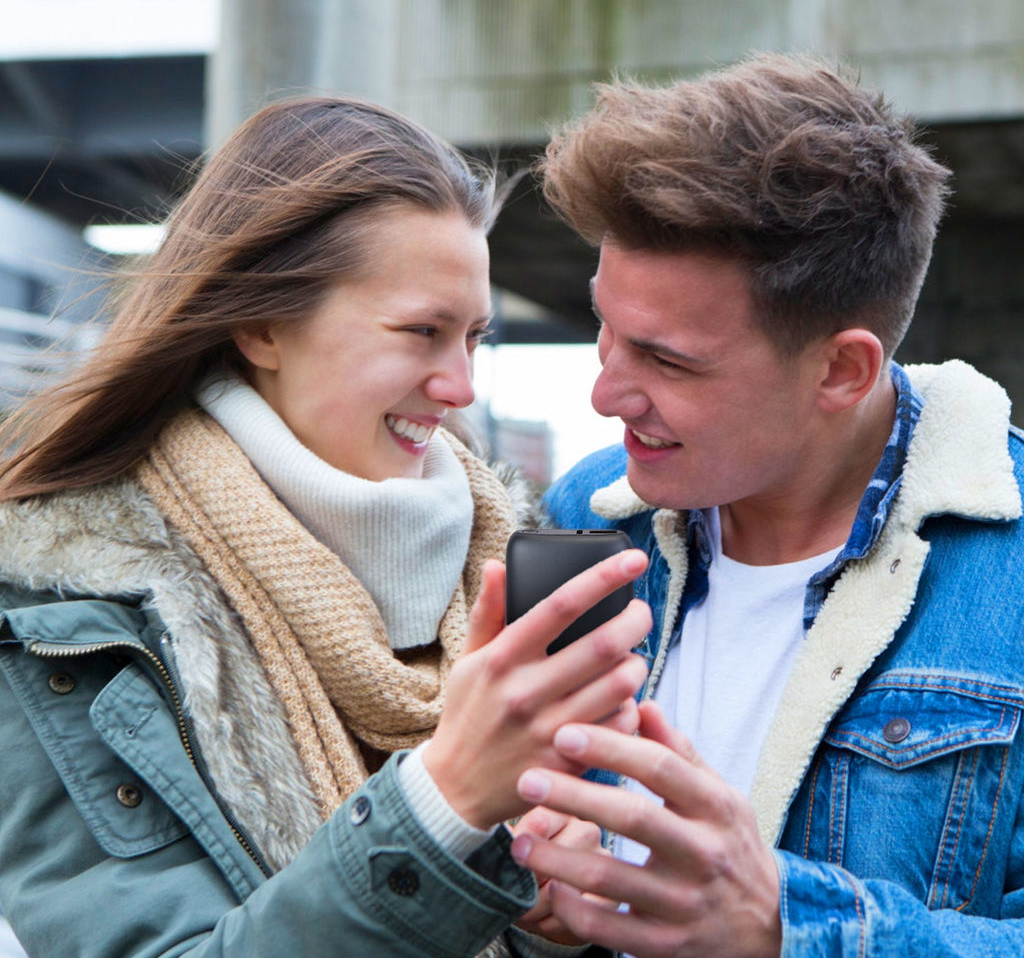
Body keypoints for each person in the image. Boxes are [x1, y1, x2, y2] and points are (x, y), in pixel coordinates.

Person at [0, 95, 654, 958]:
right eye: (422, 332)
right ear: (262, 324)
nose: (459, 385)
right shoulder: (65, 621)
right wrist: (446, 800)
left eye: (474, 338)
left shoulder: (507, 554)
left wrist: (544, 918)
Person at [506, 53, 1024, 957]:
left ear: (841, 370)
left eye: (667, 361)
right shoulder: (587, 513)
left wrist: (788, 930)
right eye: (604, 330)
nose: (605, 394)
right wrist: (537, 894)